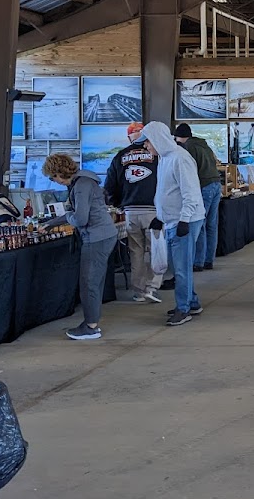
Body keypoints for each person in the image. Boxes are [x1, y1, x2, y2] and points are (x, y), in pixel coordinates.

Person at [41, 153, 118, 341]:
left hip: (96, 237)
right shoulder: (84, 181)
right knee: (95, 281)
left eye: (53, 178)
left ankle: (91, 327)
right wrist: (50, 223)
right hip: (104, 234)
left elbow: (80, 219)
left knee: (89, 282)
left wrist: (66, 218)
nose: (54, 181)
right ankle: (92, 322)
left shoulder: (81, 186)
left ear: (59, 173)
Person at [141, 122, 206, 327]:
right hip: (172, 219)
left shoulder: (180, 158)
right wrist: (161, 216)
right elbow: (167, 191)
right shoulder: (164, 158)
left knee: (181, 267)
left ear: (158, 139)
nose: (145, 146)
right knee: (180, 265)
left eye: (148, 141)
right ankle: (191, 302)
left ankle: (183, 308)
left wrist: (184, 219)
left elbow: (191, 193)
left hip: (184, 220)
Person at [104, 122, 163, 303]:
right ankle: (152, 287)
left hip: (130, 210)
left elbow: (109, 186)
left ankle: (139, 290)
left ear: (129, 137)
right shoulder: (157, 155)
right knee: (156, 250)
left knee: (135, 251)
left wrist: (117, 204)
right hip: (154, 209)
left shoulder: (120, 156)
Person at [174, 123, 222, 273]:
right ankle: (209, 260)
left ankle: (198, 262)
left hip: (204, 185)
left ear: (178, 137)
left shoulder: (187, 148)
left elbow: (189, 171)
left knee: (200, 223)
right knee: (212, 225)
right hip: (216, 184)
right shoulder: (203, 145)